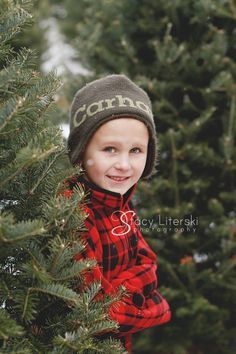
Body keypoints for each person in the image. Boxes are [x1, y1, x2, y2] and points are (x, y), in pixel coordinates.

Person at [64, 74, 171, 353]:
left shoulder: (121, 201)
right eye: (109, 149)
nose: (124, 164)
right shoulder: (71, 211)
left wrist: (123, 289)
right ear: (81, 149)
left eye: (136, 150)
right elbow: (97, 309)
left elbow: (147, 262)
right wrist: (147, 306)